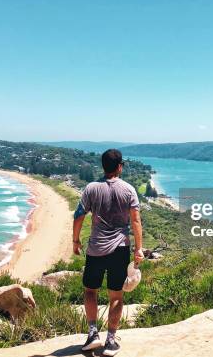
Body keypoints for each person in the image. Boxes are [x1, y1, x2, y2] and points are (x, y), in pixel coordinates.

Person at [72, 148, 144, 356]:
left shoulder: (91, 189)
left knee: (90, 290)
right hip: (120, 249)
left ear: (103, 166)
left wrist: (75, 241)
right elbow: (136, 221)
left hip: (96, 249)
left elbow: (78, 216)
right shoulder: (129, 190)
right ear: (120, 166)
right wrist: (138, 249)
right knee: (116, 295)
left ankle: (93, 334)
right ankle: (110, 341)